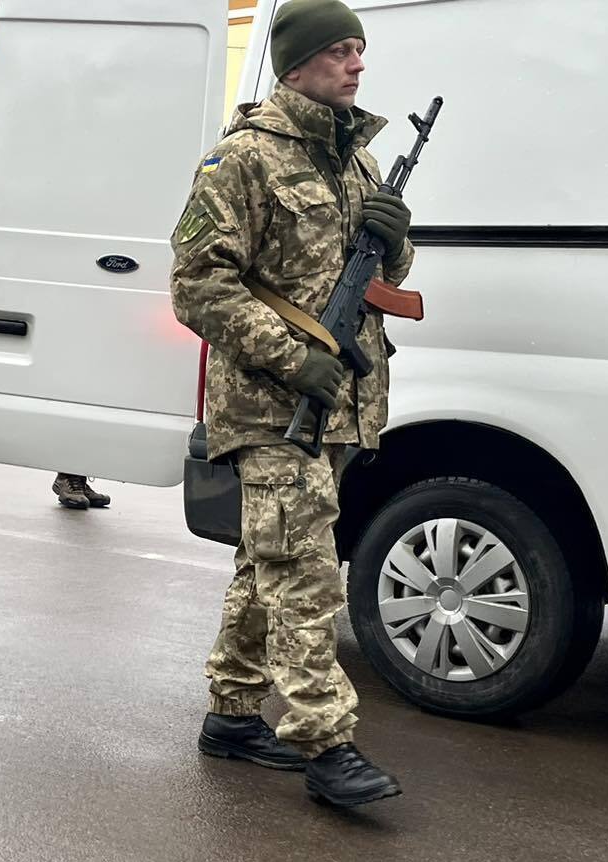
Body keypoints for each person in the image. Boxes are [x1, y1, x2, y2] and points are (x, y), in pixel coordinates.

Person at [169, 0, 412, 807]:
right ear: (298, 64)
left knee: (263, 560)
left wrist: (397, 234)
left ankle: (232, 715)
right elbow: (196, 284)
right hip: (271, 408)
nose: (357, 64)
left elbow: (387, 278)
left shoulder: (359, 161)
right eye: (342, 50)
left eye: (360, 49)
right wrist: (290, 358)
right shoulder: (243, 160)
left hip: (340, 402)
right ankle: (327, 743)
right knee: (304, 572)